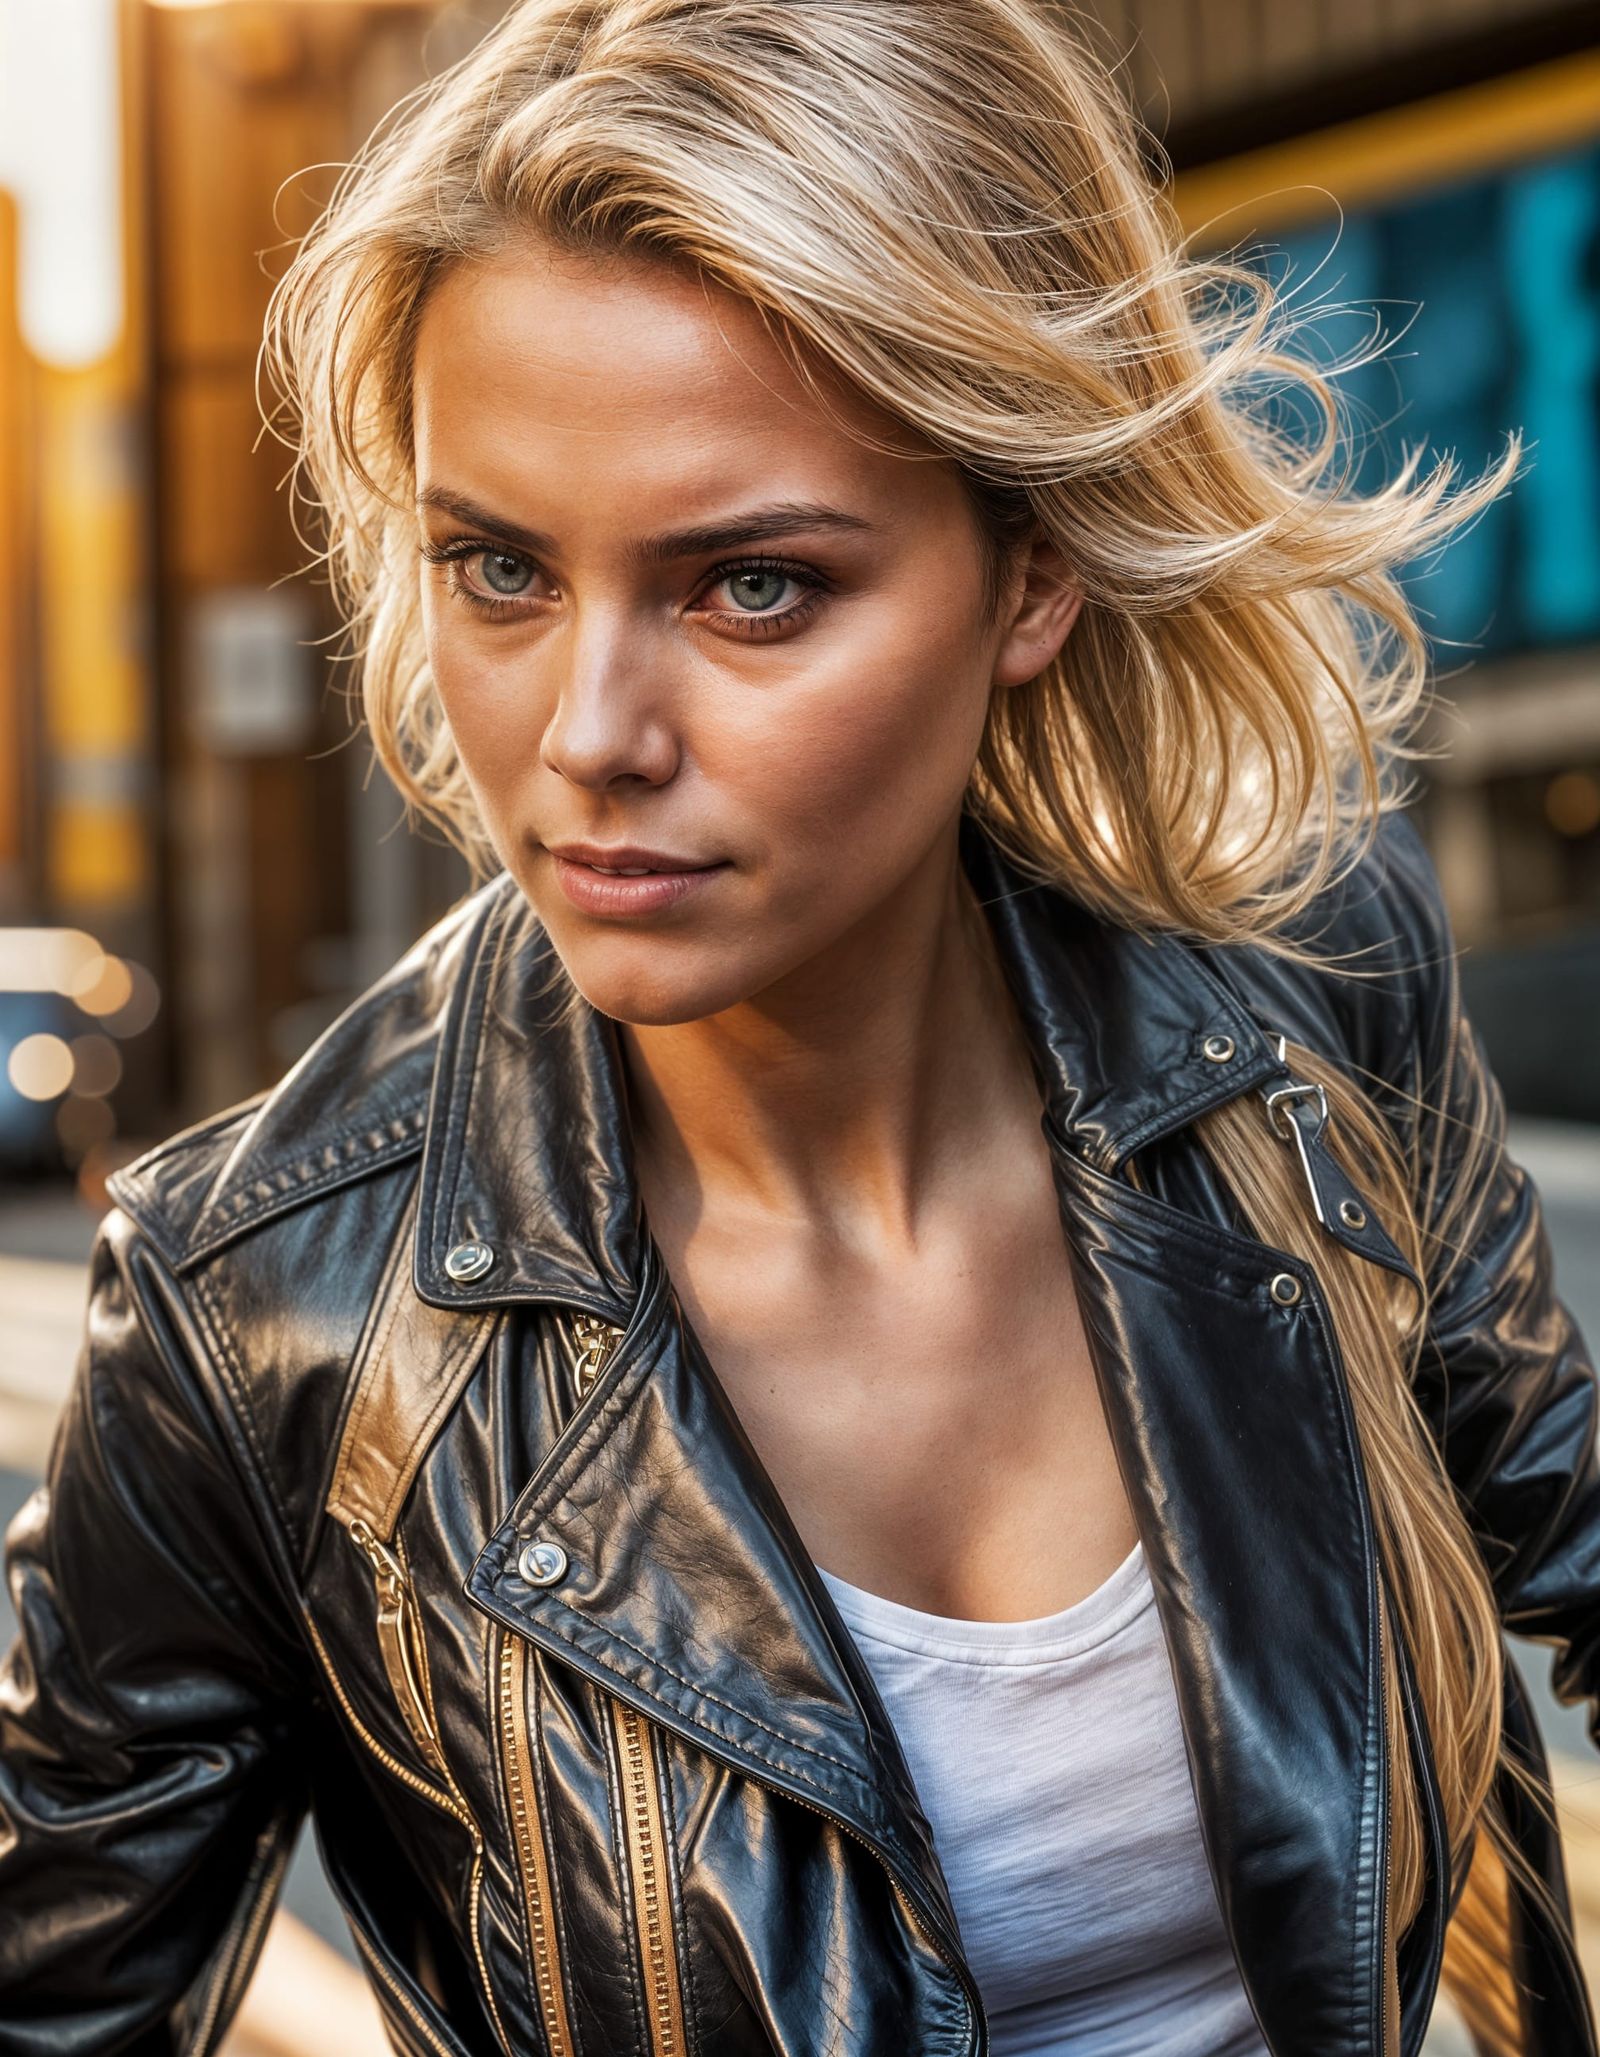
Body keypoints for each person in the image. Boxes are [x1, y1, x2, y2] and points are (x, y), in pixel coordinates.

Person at [2, 2, 1595, 2052]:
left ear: (1027, 577)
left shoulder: (1306, 990)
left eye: (749, 588)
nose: (585, 739)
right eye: (496, 568)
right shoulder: (265, 1315)